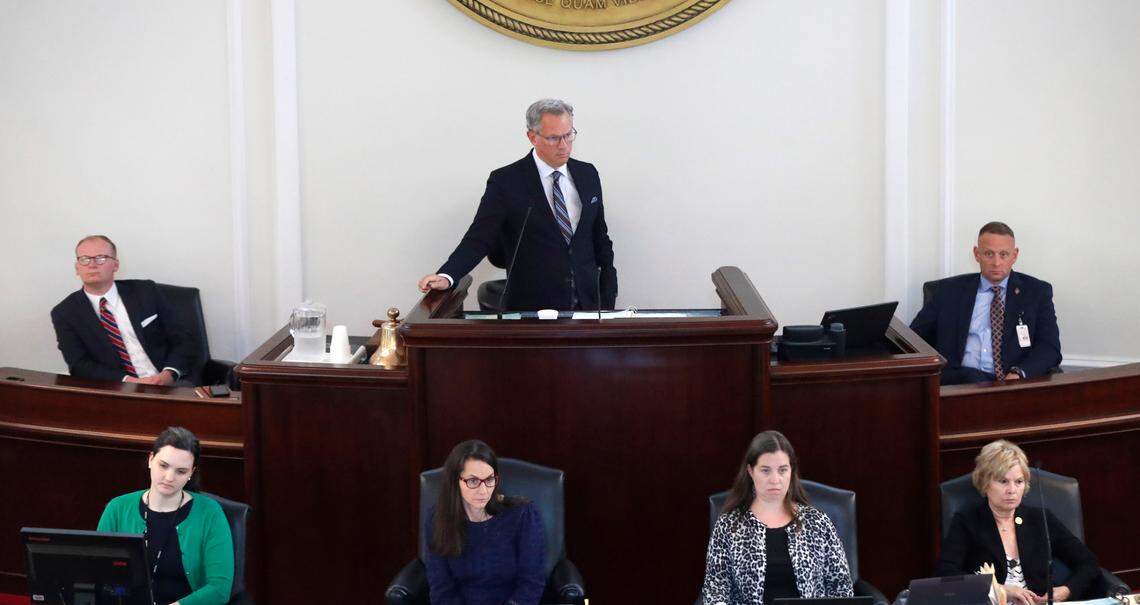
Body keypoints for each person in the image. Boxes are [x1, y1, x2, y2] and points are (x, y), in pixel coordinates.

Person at [417, 99, 618, 311]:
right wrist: (447, 275)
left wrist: (608, 292)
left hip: (587, 305)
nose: (564, 145)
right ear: (532, 137)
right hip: (532, 309)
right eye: (553, 138)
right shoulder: (506, 181)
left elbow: (599, 237)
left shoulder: (588, 174)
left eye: (569, 135)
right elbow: (479, 238)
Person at [936, 440, 1099, 604]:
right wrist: (999, 589)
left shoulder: (1040, 519)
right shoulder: (967, 521)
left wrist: (1065, 591)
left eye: (1019, 482)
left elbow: (1088, 563)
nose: (1012, 490)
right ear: (985, 483)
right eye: (1003, 481)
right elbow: (947, 574)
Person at [701, 431, 853, 605]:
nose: (775, 480)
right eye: (765, 471)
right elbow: (715, 590)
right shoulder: (728, 525)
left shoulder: (817, 522)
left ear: (791, 471)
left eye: (782, 470)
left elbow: (841, 587)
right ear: (751, 471)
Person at [910, 222, 1061, 385]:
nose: (996, 263)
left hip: (1010, 384)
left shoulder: (1036, 292)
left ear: (1015, 255)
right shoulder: (948, 291)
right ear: (976, 254)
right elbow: (913, 338)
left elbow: (1049, 348)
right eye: (989, 254)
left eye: (1003, 254)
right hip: (959, 383)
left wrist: (1019, 373)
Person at [97, 427, 234, 605]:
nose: (169, 477)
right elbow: (98, 576)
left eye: (181, 471)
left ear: (191, 473)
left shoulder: (210, 513)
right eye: (163, 465)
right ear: (150, 460)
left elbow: (219, 589)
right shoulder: (117, 508)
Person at [50, 235, 202, 385]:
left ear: (116, 265)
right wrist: (130, 382)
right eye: (84, 259)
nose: (92, 265)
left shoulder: (146, 291)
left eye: (100, 258)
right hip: (116, 389)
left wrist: (169, 374)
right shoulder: (65, 313)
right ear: (77, 268)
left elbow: (183, 339)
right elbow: (79, 364)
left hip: (169, 381)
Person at [424, 439, 546, 605]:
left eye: (489, 480)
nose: (483, 491)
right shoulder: (437, 519)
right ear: (455, 481)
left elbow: (532, 583)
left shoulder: (523, 514)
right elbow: (441, 589)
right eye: (473, 481)